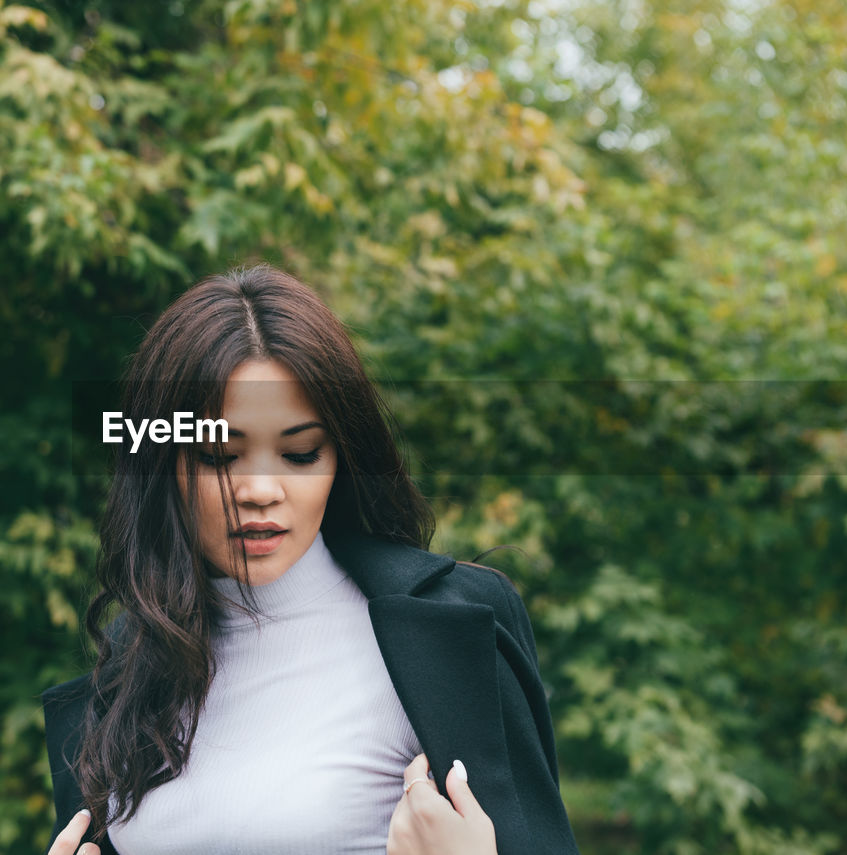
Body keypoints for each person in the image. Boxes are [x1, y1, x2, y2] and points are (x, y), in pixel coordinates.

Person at [41, 264, 579, 855]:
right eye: (220, 455)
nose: (260, 490)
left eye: (299, 454)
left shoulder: (442, 632)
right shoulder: (130, 663)